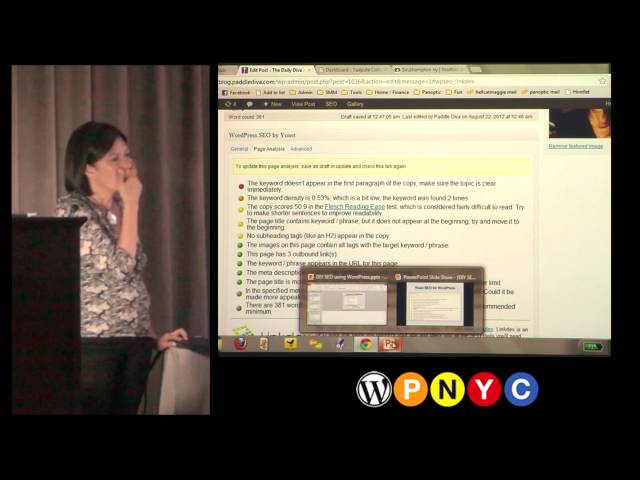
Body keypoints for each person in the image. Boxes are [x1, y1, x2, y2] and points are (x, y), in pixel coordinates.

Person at [56, 121, 188, 414]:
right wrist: (132, 203)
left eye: (127, 154)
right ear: (88, 168)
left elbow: (132, 278)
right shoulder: (74, 209)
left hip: (135, 343)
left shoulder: (116, 210)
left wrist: (152, 336)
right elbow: (121, 267)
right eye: (114, 158)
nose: (126, 164)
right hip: (98, 344)